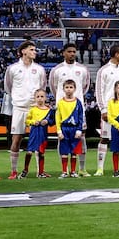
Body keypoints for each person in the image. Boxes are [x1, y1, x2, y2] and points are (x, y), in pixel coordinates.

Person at [3, 41, 48, 180]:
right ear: (23, 51)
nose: (35, 52)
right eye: (32, 49)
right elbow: (8, 87)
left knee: (38, 140)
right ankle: (14, 171)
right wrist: (19, 99)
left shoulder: (40, 69)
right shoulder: (13, 68)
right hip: (19, 108)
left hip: (35, 108)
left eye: (35, 49)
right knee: (16, 139)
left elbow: (43, 87)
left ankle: (39, 171)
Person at [49, 43, 90, 172]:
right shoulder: (57, 70)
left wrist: (75, 100)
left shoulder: (83, 69)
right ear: (63, 53)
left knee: (81, 137)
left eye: (74, 51)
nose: (72, 54)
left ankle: (81, 169)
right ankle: (64, 170)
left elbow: (85, 87)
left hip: (77, 108)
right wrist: (64, 100)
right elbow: (53, 87)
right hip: (63, 109)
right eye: (69, 51)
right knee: (62, 138)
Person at [95, 44, 119, 177]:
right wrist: (103, 109)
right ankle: (100, 168)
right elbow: (99, 91)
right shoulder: (103, 70)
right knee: (104, 138)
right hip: (109, 110)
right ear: (116, 54)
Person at [56, 80, 85, 177]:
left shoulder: (78, 102)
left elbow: (80, 117)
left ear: (75, 89)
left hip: (74, 129)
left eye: (71, 87)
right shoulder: (60, 102)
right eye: (67, 87)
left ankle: (73, 171)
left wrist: (79, 129)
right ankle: (64, 171)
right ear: (63, 89)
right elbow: (58, 117)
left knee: (74, 151)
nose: (69, 90)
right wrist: (59, 130)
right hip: (64, 129)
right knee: (64, 151)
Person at [21, 89, 52, 179]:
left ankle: (41, 172)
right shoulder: (33, 110)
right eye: (38, 97)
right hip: (34, 133)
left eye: (42, 96)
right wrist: (33, 122)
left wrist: (46, 121)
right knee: (29, 152)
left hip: (43, 134)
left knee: (41, 153)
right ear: (35, 98)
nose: (40, 99)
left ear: (45, 98)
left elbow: (52, 121)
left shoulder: (48, 110)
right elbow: (27, 121)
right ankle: (25, 170)